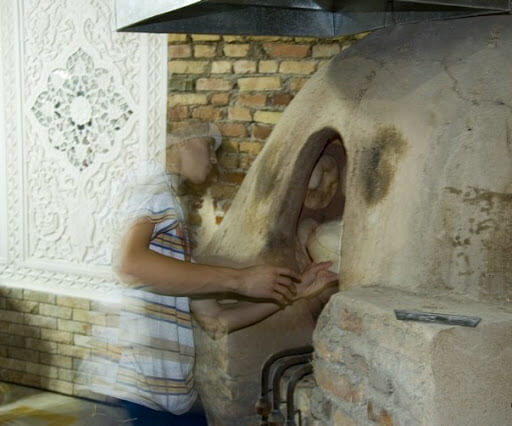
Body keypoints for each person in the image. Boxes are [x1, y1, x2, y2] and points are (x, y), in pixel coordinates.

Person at [98, 122, 337, 425]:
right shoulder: (153, 186)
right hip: (141, 392)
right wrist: (241, 279)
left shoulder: (174, 224)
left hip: (171, 397)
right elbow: (130, 264)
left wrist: (293, 292)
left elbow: (216, 321)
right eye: (208, 146)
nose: (213, 158)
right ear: (178, 144)